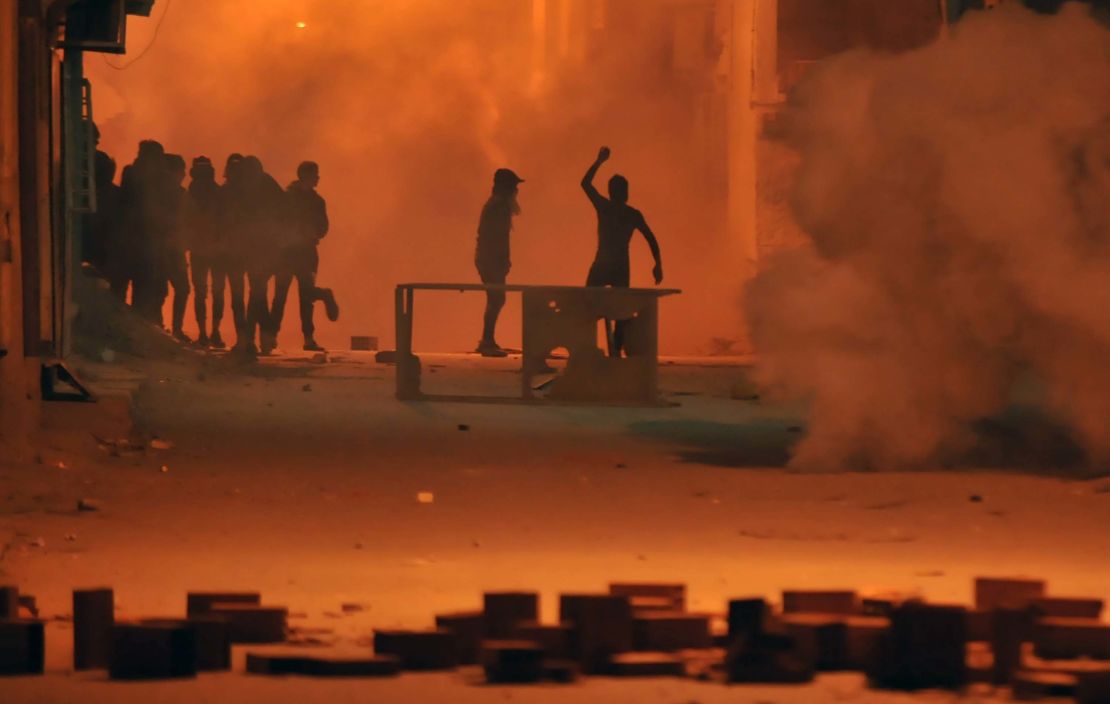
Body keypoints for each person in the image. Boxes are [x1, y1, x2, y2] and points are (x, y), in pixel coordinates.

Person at [580, 146, 663, 357]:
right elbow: (651, 239)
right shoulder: (628, 213)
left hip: (605, 263)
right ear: (624, 193)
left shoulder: (608, 208)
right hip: (616, 265)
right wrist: (658, 264)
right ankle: (612, 351)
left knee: (592, 306)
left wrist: (599, 162)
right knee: (618, 311)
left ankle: (595, 349)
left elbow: (585, 184)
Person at [269, 161, 339, 352]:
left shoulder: (316, 201)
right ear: (304, 176)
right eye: (315, 174)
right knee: (282, 296)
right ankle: (273, 335)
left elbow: (324, 227)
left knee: (304, 297)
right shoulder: (290, 199)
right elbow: (278, 222)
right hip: (289, 253)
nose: (318, 178)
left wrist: (313, 233)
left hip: (303, 253)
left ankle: (305, 337)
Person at [233, 155, 285, 357]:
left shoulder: (246, 187)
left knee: (256, 293)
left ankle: (254, 338)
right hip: (259, 249)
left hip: (259, 249)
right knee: (258, 294)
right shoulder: (267, 185)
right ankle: (262, 336)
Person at [474, 168, 524, 357]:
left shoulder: (497, 205)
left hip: (489, 258)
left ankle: (488, 338)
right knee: (497, 298)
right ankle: (487, 340)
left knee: (495, 298)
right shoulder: (498, 207)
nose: (515, 190)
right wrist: (501, 259)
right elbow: (497, 237)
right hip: (491, 258)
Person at [118, 139, 170, 320]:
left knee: (132, 289)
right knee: (142, 290)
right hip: (141, 242)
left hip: (136, 241)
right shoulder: (148, 177)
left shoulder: (131, 172)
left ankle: (130, 326)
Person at [184, 156, 224, 347]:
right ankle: (215, 332)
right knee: (218, 291)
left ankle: (203, 334)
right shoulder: (218, 191)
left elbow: (186, 221)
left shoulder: (190, 192)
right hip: (217, 249)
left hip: (199, 248)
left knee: (200, 292)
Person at [215, 153, 248, 348]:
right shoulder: (244, 195)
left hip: (226, 251)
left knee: (223, 293)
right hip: (232, 251)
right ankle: (242, 337)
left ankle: (217, 331)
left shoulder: (222, 193)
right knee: (237, 296)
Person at [163, 153, 192, 342]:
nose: (183, 174)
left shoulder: (177, 193)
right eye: (181, 170)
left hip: (173, 248)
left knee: (179, 289)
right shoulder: (177, 194)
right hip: (170, 249)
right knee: (181, 288)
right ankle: (175, 329)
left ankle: (173, 328)